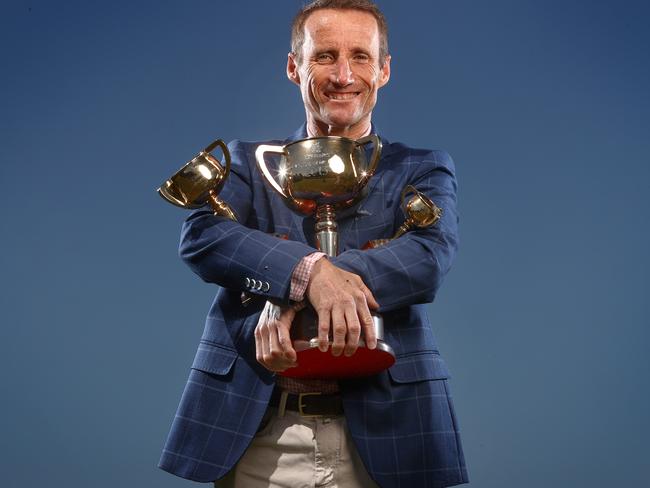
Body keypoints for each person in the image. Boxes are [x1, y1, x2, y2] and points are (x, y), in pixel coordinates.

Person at [159, 1, 468, 486]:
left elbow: (429, 257)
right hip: (259, 431)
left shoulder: (421, 167)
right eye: (324, 55)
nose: (344, 75)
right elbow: (203, 237)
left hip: (392, 433)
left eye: (361, 57)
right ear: (293, 66)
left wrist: (311, 287)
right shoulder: (246, 163)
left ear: (383, 70)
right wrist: (310, 274)